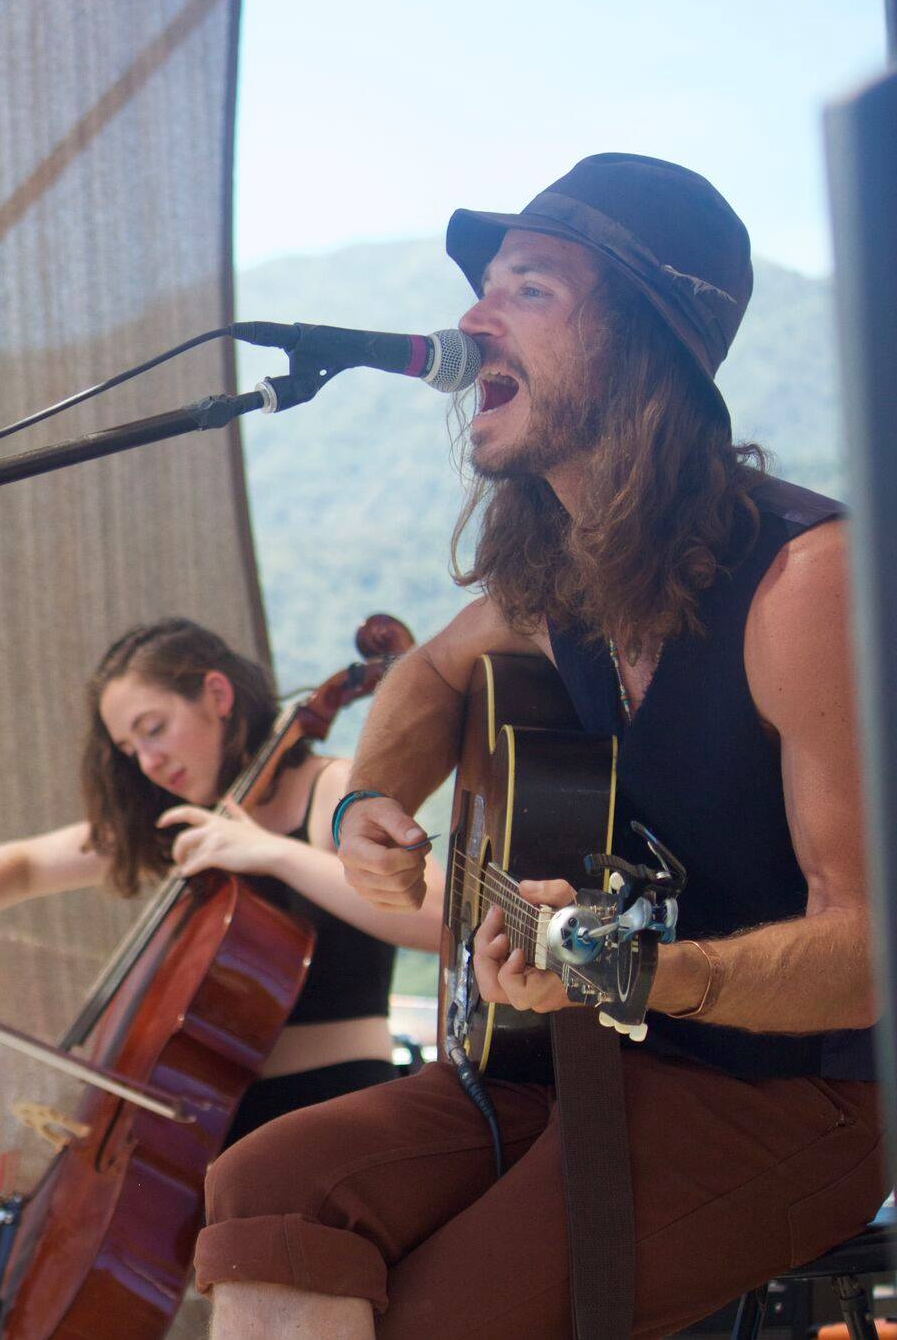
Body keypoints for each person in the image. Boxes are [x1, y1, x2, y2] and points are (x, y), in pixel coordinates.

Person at [195, 155, 884, 1338]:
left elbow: (868, 944)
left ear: (643, 343)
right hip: (590, 1056)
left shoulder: (802, 586)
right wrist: (369, 805)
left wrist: (644, 975)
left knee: (434, 1317)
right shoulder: (564, 567)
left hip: (798, 1098)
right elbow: (425, 670)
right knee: (260, 1182)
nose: (469, 316)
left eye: (528, 290)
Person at [0, 617, 441, 1333]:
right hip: (202, 1130)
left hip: (325, 1112)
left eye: (153, 727)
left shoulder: (328, 790)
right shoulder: (191, 825)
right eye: (131, 747)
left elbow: (440, 913)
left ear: (217, 693)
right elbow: (29, 862)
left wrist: (271, 853)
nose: (147, 759)